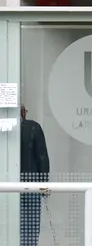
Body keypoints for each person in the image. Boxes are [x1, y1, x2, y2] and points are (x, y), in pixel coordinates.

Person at [20, 104, 49, 246]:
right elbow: (42, 157)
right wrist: (44, 186)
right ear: (22, 112)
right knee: (31, 226)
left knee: (13, 223)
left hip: (9, 186)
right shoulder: (33, 128)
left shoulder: (5, 130)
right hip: (33, 184)